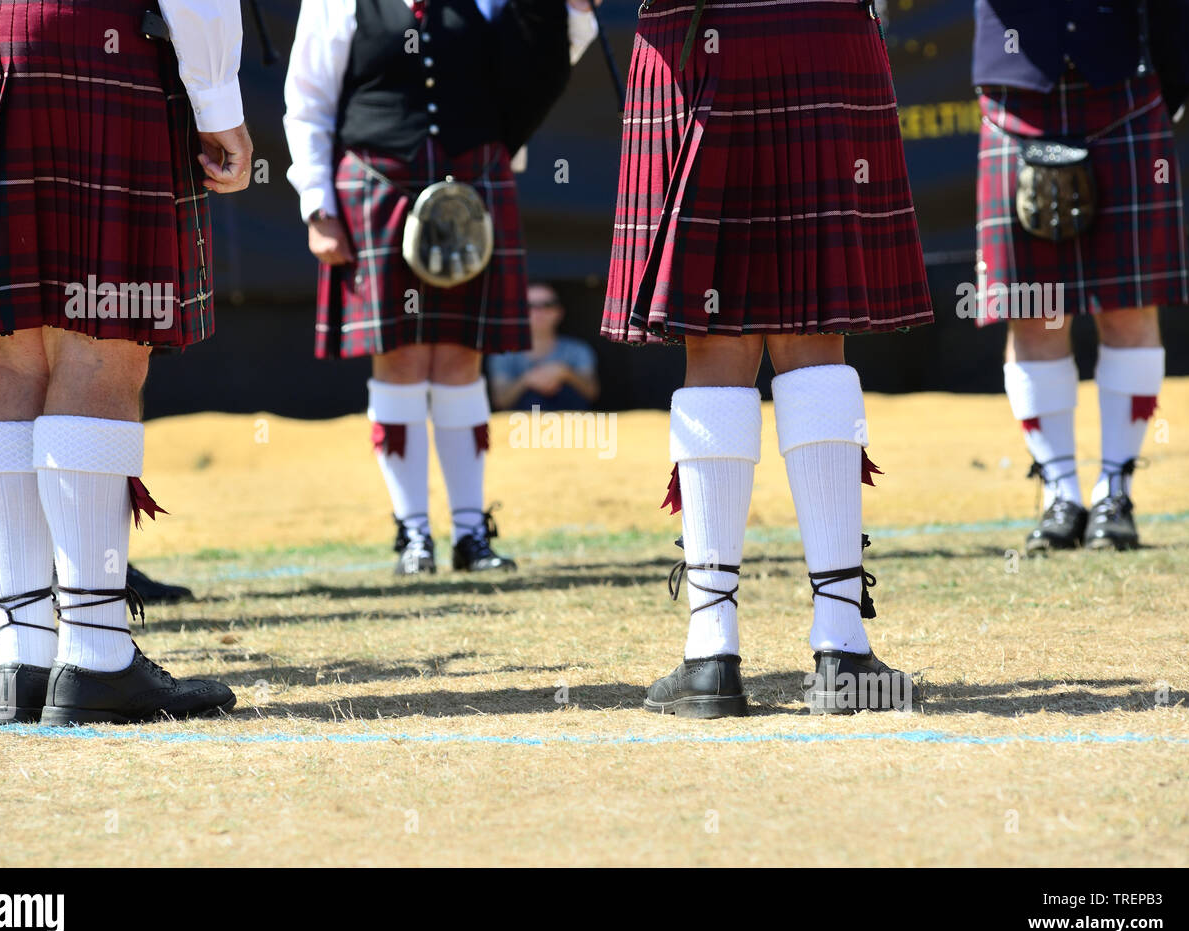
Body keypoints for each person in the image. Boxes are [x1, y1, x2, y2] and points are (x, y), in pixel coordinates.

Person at [0, 0, 253, 725]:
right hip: (76, 37)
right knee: (102, 339)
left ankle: (22, 657)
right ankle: (96, 656)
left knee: (6, 350)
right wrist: (217, 96)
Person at [602, 0, 933, 717]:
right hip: (820, 34)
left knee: (717, 333)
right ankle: (841, 645)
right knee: (813, 327)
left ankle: (710, 650)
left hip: (699, 43)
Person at [285, 0, 599, 577]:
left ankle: (471, 533)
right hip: (377, 187)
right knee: (399, 361)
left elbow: (546, 56)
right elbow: (308, 103)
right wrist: (317, 206)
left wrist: (573, 10)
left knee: (459, 361)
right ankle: (414, 535)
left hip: (472, 192)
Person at [972, 0, 1189, 551]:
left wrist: (1171, 83)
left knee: (1129, 306)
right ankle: (1061, 494)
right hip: (1017, 95)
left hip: (1123, 86)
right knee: (1033, 310)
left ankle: (1114, 492)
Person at [488, 283, 600, 411]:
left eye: (547, 305)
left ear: (559, 312)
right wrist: (527, 380)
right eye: (529, 306)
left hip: (573, 426)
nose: (538, 312)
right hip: (520, 428)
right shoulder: (504, 353)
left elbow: (592, 393)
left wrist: (566, 374)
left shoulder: (578, 349)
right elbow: (500, 401)